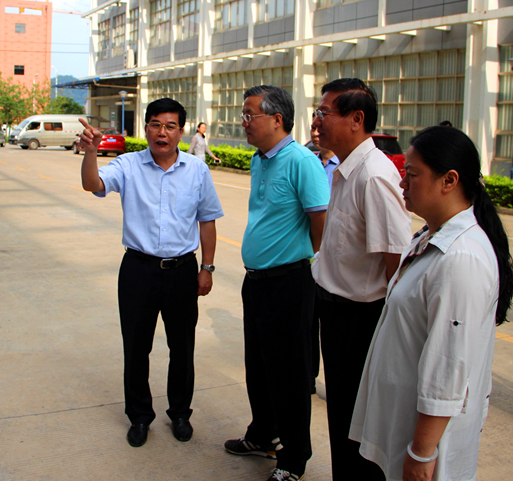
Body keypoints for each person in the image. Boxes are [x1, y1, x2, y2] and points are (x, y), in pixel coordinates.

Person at [349, 125, 513, 481]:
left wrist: (421, 453)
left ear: (449, 180)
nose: (402, 183)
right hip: (402, 423)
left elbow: (447, 367)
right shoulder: (431, 237)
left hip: (425, 442)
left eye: (411, 174)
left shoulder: (461, 258)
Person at [79, 98, 223, 448]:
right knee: (136, 347)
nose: (162, 132)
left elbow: (207, 221)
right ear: (146, 128)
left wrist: (206, 267)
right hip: (138, 270)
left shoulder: (197, 170)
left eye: (170, 126)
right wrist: (91, 152)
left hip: (182, 271)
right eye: (156, 124)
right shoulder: (128, 165)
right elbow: (93, 184)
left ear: (181, 131)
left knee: (182, 347)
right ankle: (140, 416)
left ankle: (180, 413)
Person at [224, 86, 329, 481]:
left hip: (289, 283)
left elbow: (321, 223)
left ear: (277, 119)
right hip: (257, 282)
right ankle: (263, 434)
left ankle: (294, 458)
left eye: (249, 115)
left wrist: (302, 262)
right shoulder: (260, 160)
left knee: (290, 374)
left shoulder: (302, 162)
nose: (244, 122)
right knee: (259, 366)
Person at [311, 78, 411, 481]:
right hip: (336, 314)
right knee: (342, 419)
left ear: (356, 119)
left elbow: (395, 260)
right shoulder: (345, 170)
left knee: (358, 428)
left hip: (360, 322)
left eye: (324, 112)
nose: (317, 121)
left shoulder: (374, 176)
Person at [308, 124, 339, 394]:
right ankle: (308, 377)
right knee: (308, 320)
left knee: (331, 325)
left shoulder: (344, 167)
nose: (316, 133)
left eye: (321, 128)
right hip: (310, 254)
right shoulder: (308, 162)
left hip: (335, 256)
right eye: (313, 128)